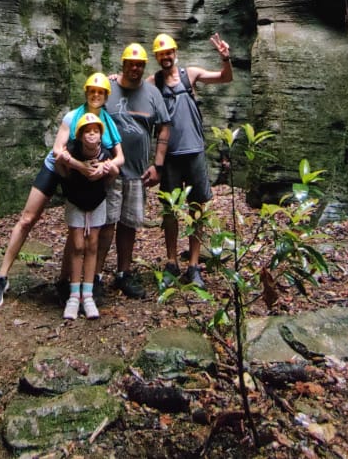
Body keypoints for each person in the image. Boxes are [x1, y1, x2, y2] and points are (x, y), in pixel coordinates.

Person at [0, 73, 122, 309]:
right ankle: (1, 277)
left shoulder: (107, 123)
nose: (96, 95)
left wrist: (104, 167)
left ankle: (63, 280)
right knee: (28, 218)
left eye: (101, 92)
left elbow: (118, 156)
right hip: (60, 168)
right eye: (92, 91)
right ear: (86, 92)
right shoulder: (73, 116)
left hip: (83, 177)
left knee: (78, 224)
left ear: (106, 96)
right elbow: (58, 150)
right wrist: (80, 166)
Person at [151, 32, 233, 287]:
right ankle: (171, 261)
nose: (166, 57)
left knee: (197, 207)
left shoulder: (191, 74)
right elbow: (131, 88)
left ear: (175, 52)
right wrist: (113, 79)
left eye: (169, 52)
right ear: (157, 56)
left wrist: (225, 59)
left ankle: (194, 265)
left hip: (194, 151)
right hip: (170, 157)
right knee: (170, 212)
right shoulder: (153, 82)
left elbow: (224, 78)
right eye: (161, 53)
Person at [95, 43, 171, 299]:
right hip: (109, 171)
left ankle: (123, 274)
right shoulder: (108, 87)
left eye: (140, 64)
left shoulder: (152, 93)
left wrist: (157, 165)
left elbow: (163, 128)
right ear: (123, 64)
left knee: (129, 224)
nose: (135, 68)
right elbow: (90, 115)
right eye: (131, 63)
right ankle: (94, 277)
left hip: (138, 173)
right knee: (106, 224)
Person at [57, 113, 118, 319]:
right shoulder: (72, 150)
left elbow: (113, 176)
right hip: (75, 201)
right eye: (87, 131)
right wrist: (72, 164)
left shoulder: (106, 154)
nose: (91, 135)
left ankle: (88, 294)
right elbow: (60, 165)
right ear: (80, 135)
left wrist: (110, 170)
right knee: (77, 245)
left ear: (101, 135)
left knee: (92, 244)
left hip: (97, 202)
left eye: (95, 131)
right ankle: (74, 296)